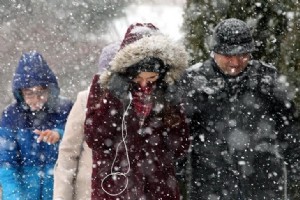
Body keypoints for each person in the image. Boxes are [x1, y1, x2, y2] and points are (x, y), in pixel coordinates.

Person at [181, 18, 300, 199]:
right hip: (211, 187)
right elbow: (177, 140)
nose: (235, 62)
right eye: (228, 55)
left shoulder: (267, 80)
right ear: (214, 52)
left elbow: (292, 133)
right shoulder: (193, 83)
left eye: (243, 55)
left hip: (263, 186)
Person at [84, 22, 190, 200]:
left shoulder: (169, 91)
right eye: (138, 77)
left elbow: (180, 147)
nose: (144, 84)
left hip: (158, 190)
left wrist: (173, 107)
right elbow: (95, 138)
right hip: (115, 189)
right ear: (126, 71)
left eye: (152, 78)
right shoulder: (103, 87)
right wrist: (114, 99)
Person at [0, 51, 73, 200]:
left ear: (49, 89)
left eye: (41, 92)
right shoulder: (11, 115)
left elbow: (79, 137)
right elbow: (6, 162)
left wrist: (59, 134)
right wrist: (14, 196)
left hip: (58, 190)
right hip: (24, 192)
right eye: (29, 94)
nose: (36, 99)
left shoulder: (65, 108)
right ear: (20, 93)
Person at [53, 41, 120, 200]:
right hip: (88, 192)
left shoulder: (137, 103)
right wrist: (62, 196)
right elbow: (68, 152)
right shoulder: (86, 99)